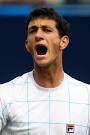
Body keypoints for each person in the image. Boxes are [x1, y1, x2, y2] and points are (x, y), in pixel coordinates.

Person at [0, 7, 90, 135]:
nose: (38, 35)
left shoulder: (87, 96)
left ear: (63, 42)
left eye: (47, 30)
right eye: (33, 30)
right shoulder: (4, 95)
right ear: (27, 45)